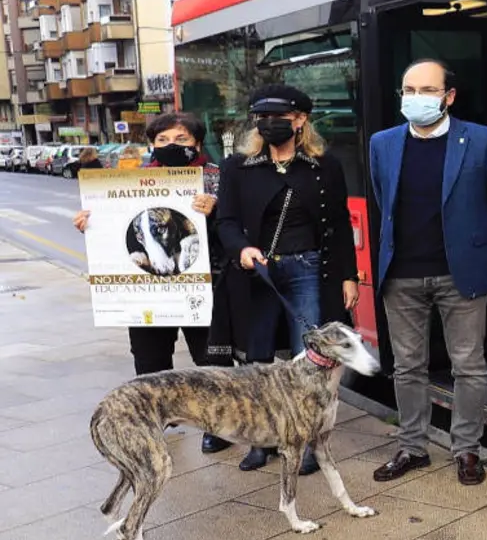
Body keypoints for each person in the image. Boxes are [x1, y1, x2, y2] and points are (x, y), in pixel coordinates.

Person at [367, 58, 487, 486]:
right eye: (408, 91)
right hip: (402, 275)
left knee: (468, 366)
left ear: (448, 97)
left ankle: (466, 449)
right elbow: (383, 200)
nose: (415, 99)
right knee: (407, 366)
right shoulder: (383, 143)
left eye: (426, 91)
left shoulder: (484, 141)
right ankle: (412, 447)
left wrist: (474, 244)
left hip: (462, 273)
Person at [214, 84, 359, 475]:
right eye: (261, 118)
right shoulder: (236, 167)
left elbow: (340, 224)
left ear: (300, 120)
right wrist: (242, 249)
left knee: (309, 360)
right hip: (257, 273)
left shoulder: (324, 165)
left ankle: (308, 442)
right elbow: (225, 221)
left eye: (279, 118)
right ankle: (258, 443)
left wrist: (349, 276)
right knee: (256, 362)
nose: (268, 125)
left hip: (309, 268)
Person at [72, 112, 234, 455]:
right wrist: (92, 221)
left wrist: (217, 211)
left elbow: (237, 228)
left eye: (181, 139)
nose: (171, 146)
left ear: (198, 143)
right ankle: (159, 418)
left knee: (211, 359)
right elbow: (117, 226)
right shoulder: (129, 183)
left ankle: (220, 424)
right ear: (152, 145)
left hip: (204, 285)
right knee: (149, 360)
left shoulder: (219, 179)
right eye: (162, 140)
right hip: (148, 291)